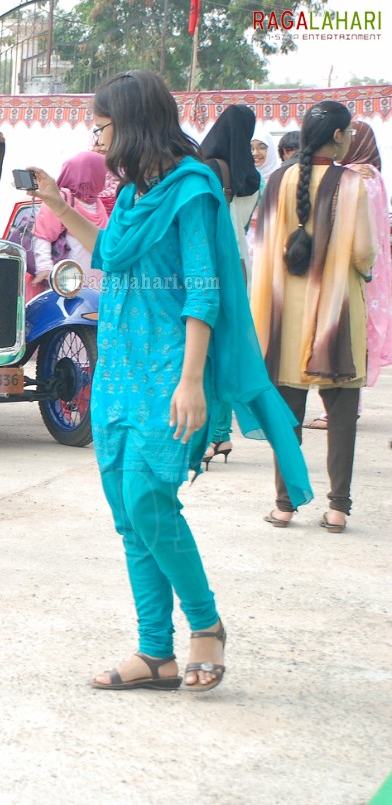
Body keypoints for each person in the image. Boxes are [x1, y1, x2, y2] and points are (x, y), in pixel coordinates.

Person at [27, 70, 310, 692]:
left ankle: (205, 626)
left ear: (130, 124)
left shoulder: (191, 190)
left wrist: (191, 383)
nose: (95, 140)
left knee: (151, 502)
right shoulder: (130, 198)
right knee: (128, 511)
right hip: (119, 370)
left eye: (101, 126)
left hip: (167, 372)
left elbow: (203, 292)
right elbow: (108, 253)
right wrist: (54, 203)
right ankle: (154, 650)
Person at [250, 101, 375, 534]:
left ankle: (284, 506)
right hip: (336, 314)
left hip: (284, 316)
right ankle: (338, 508)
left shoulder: (277, 181)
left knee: (287, 415)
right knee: (341, 414)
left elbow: (260, 249)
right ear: (338, 137)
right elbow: (362, 253)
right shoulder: (351, 184)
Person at [303, 120, 391, 431]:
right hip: (373, 266)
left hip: (356, 265)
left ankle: (344, 410)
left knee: (350, 335)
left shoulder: (357, 178)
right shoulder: (374, 175)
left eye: (351, 136)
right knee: (360, 333)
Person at [198, 104, 264, 468]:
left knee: (204, 352)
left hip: (210, 264)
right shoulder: (253, 177)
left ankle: (211, 434)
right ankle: (220, 435)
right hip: (240, 266)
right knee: (223, 350)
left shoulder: (208, 170)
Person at [29, 151, 109, 300]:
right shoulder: (61, 198)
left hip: (94, 286)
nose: (105, 177)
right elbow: (42, 235)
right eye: (102, 172)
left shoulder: (97, 203)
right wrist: (45, 268)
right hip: (67, 284)